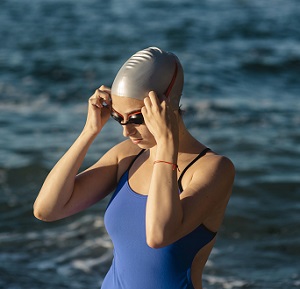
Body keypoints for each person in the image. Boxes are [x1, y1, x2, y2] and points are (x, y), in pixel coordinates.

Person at [34, 47, 235, 289]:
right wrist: (89, 131)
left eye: (137, 119)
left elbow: (159, 235)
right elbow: (47, 210)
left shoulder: (213, 169)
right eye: (118, 118)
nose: (125, 131)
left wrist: (165, 147)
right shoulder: (128, 156)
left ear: (168, 106)